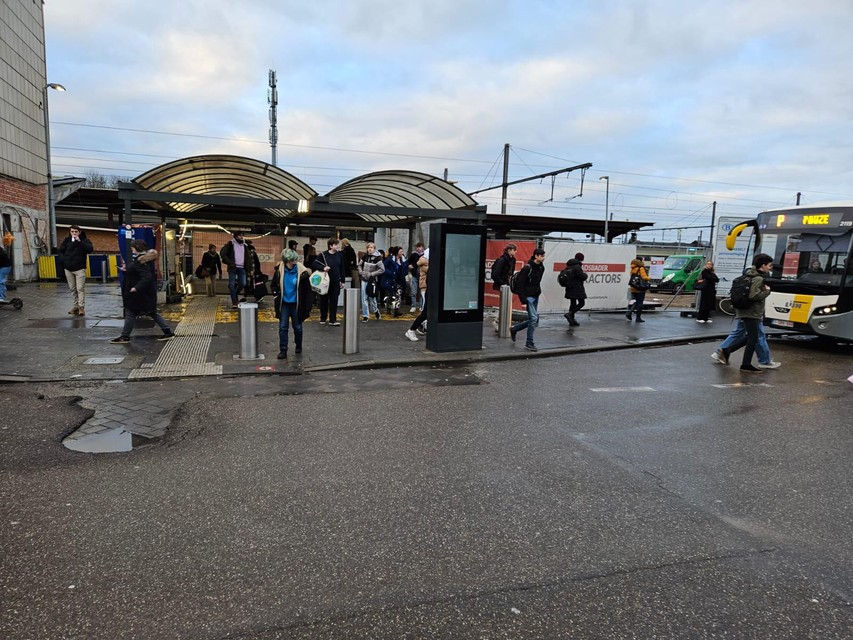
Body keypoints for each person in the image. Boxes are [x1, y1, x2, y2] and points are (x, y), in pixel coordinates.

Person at [716, 253, 774, 373]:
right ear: (763, 266)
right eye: (769, 265)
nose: (770, 268)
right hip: (752, 312)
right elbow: (754, 296)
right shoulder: (758, 279)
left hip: (744, 310)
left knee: (751, 336)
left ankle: (727, 351)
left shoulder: (747, 275)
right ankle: (745, 364)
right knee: (753, 337)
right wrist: (767, 292)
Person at [110, 239, 174, 343]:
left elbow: (146, 276)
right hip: (143, 294)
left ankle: (125, 336)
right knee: (150, 312)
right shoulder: (144, 259)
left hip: (139, 294)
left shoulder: (142, 260)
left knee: (133, 312)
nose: (131, 249)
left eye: (133, 247)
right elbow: (140, 272)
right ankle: (167, 332)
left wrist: (136, 287)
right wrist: (127, 269)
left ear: (137, 248)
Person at [272, 248, 312, 360]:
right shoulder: (279, 271)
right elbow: (274, 284)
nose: (297, 260)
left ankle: (298, 345)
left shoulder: (302, 272)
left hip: (297, 304)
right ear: (288, 260)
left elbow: (307, 290)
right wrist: (276, 295)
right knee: (283, 327)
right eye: (294, 258)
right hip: (284, 303)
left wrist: (308, 305)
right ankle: (283, 350)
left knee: (298, 327)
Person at [509, 247, 546, 352]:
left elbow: (537, 282)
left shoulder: (541, 267)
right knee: (534, 319)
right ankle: (529, 342)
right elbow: (520, 284)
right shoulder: (527, 268)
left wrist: (537, 291)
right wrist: (523, 299)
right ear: (536, 256)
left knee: (532, 319)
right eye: (542, 256)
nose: (544, 258)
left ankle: (514, 329)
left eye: (544, 256)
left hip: (535, 295)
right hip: (528, 297)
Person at [712, 319, 780, 369]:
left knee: (739, 332)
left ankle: (721, 351)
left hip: (745, 311)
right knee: (758, 336)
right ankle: (764, 361)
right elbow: (754, 299)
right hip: (752, 313)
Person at [58, 224, 93, 316]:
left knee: (80, 288)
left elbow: (89, 249)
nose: (74, 233)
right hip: (68, 268)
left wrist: (79, 241)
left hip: (79, 268)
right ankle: (75, 306)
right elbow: (61, 251)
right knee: (72, 288)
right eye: (72, 232)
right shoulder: (67, 240)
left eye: (76, 232)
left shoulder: (84, 240)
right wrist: (64, 260)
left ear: (79, 232)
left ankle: (81, 307)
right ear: (70, 232)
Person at [313, 237, 346, 326]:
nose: (338, 246)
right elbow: (314, 264)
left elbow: (342, 268)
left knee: (334, 300)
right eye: (336, 244)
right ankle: (323, 318)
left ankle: (332, 319)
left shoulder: (339, 256)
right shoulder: (323, 255)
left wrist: (342, 281)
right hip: (325, 281)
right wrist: (323, 268)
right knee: (324, 299)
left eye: (338, 244)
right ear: (330, 246)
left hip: (335, 281)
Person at [404, 249, 430, 341]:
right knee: (425, 312)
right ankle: (412, 329)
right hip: (427, 289)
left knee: (426, 313)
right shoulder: (426, 262)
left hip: (429, 289)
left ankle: (417, 327)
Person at [358, 241, 385, 322]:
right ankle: (365, 315)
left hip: (372, 280)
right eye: (368, 247)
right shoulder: (364, 256)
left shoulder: (378, 258)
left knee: (372, 297)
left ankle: (376, 311)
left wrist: (372, 274)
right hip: (364, 279)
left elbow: (382, 269)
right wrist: (360, 272)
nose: (369, 249)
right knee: (364, 298)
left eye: (371, 247)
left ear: (374, 249)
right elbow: (359, 265)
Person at [220, 231, 248, 309]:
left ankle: (234, 294)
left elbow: (247, 258)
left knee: (243, 283)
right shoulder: (231, 244)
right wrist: (230, 262)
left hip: (242, 267)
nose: (241, 237)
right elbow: (223, 254)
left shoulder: (245, 245)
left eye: (242, 235)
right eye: (239, 236)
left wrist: (249, 269)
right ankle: (234, 302)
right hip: (232, 267)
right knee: (232, 285)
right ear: (235, 236)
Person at [562, 252, 588, 327]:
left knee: (572, 303)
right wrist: (585, 275)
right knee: (582, 303)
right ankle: (569, 314)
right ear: (581, 259)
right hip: (577, 288)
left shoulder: (569, 266)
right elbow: (582, 276)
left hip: (569, 287)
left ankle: (571, 320)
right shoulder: (577, 266)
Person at [626, 257, 650, 323]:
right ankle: (638, 318)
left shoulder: (633, 268)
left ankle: (629, 312)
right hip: (640, 288)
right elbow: (644, 277)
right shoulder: (641, 268)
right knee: (640, 303)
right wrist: (649, 278)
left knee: (636, 301)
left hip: (633, 287)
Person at [408, 241, 425, 313]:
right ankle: (414, 305)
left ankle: (421, 306)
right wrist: (410, 266)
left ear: (422, 247)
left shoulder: (425, 255)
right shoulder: (414, 255)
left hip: (422, 275)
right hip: (415, 275)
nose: (418, 249)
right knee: (414, 291)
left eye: (419, 247)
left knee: (422, 292)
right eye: (417, 247)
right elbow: (409, 262)